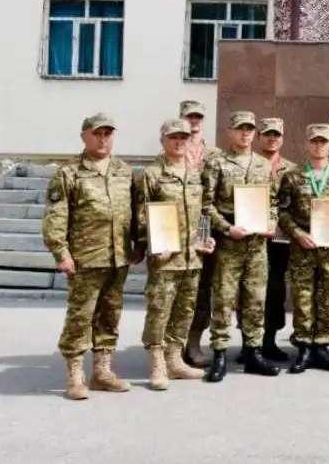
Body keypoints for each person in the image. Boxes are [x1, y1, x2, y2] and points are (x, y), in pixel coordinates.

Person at [43, 113, 134, 400]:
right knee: (80, 317)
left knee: (110, 315)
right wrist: (61, 252)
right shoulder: (69, 173)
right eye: (97, 133)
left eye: (108, 133)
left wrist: (141, 243)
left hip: (118, 256)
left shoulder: (124, 170)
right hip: (85, 258)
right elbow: (56, 216)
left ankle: (102, 371)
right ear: (84, 136)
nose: (103, 138)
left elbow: (137, 211)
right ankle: (74, 375)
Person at [134, 119, 213, 390]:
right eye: (173, 137)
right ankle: (157, 362)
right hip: (166, 257)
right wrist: (154, 246)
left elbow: (203, 213)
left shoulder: (193, 173)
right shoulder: (151, 174)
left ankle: (174, 359)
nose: (179, 142)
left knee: (184, 309)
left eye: (183, 137)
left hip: (192, 257)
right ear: (163, 140)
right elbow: (142, 216)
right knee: (159, 310)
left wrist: (204, 240)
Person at [201, 111, 280, 382]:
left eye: (249, 129)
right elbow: (206, 205)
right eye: (240, 129)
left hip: (257, 242)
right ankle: (220, 353)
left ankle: (253, 351)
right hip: (230, 240)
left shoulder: (261, 164)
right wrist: (226, 228)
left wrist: (271, 222)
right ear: (230, 132)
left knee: (255, 298)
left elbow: (271, 200)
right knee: (223, 299)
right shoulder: (217, 163)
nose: (245, 133)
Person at [277, 124, 329, 374]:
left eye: (323, 142)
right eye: (314, 141)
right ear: (307, 144)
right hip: (303, 247)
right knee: (302, 297)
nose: (319, 146)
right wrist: (297, 234)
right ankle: (304, 346)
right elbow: (282, 211)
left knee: (327, 297)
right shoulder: (292, 176)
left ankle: (322, 345)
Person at [180, 99, 222, 368]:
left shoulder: (215, 154)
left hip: (204, 222)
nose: (194, 122)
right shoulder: (173, 147)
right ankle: (171, 345)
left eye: (198, 117)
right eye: (189, 117)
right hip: (175, 224)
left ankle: (194, 342)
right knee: (173, 286)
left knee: (202, 285)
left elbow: (216, 196)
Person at [257, 117, 296, 363]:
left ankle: (270, 340)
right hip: (250, 237)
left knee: (275, 289)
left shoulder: (292, 170)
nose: (272, 138)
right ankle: (250, 342)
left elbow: (295, 205)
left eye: (276, 135)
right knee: (250, 291)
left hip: (280, 239)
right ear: (259, 136)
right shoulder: (249, 165)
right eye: (267, 134)